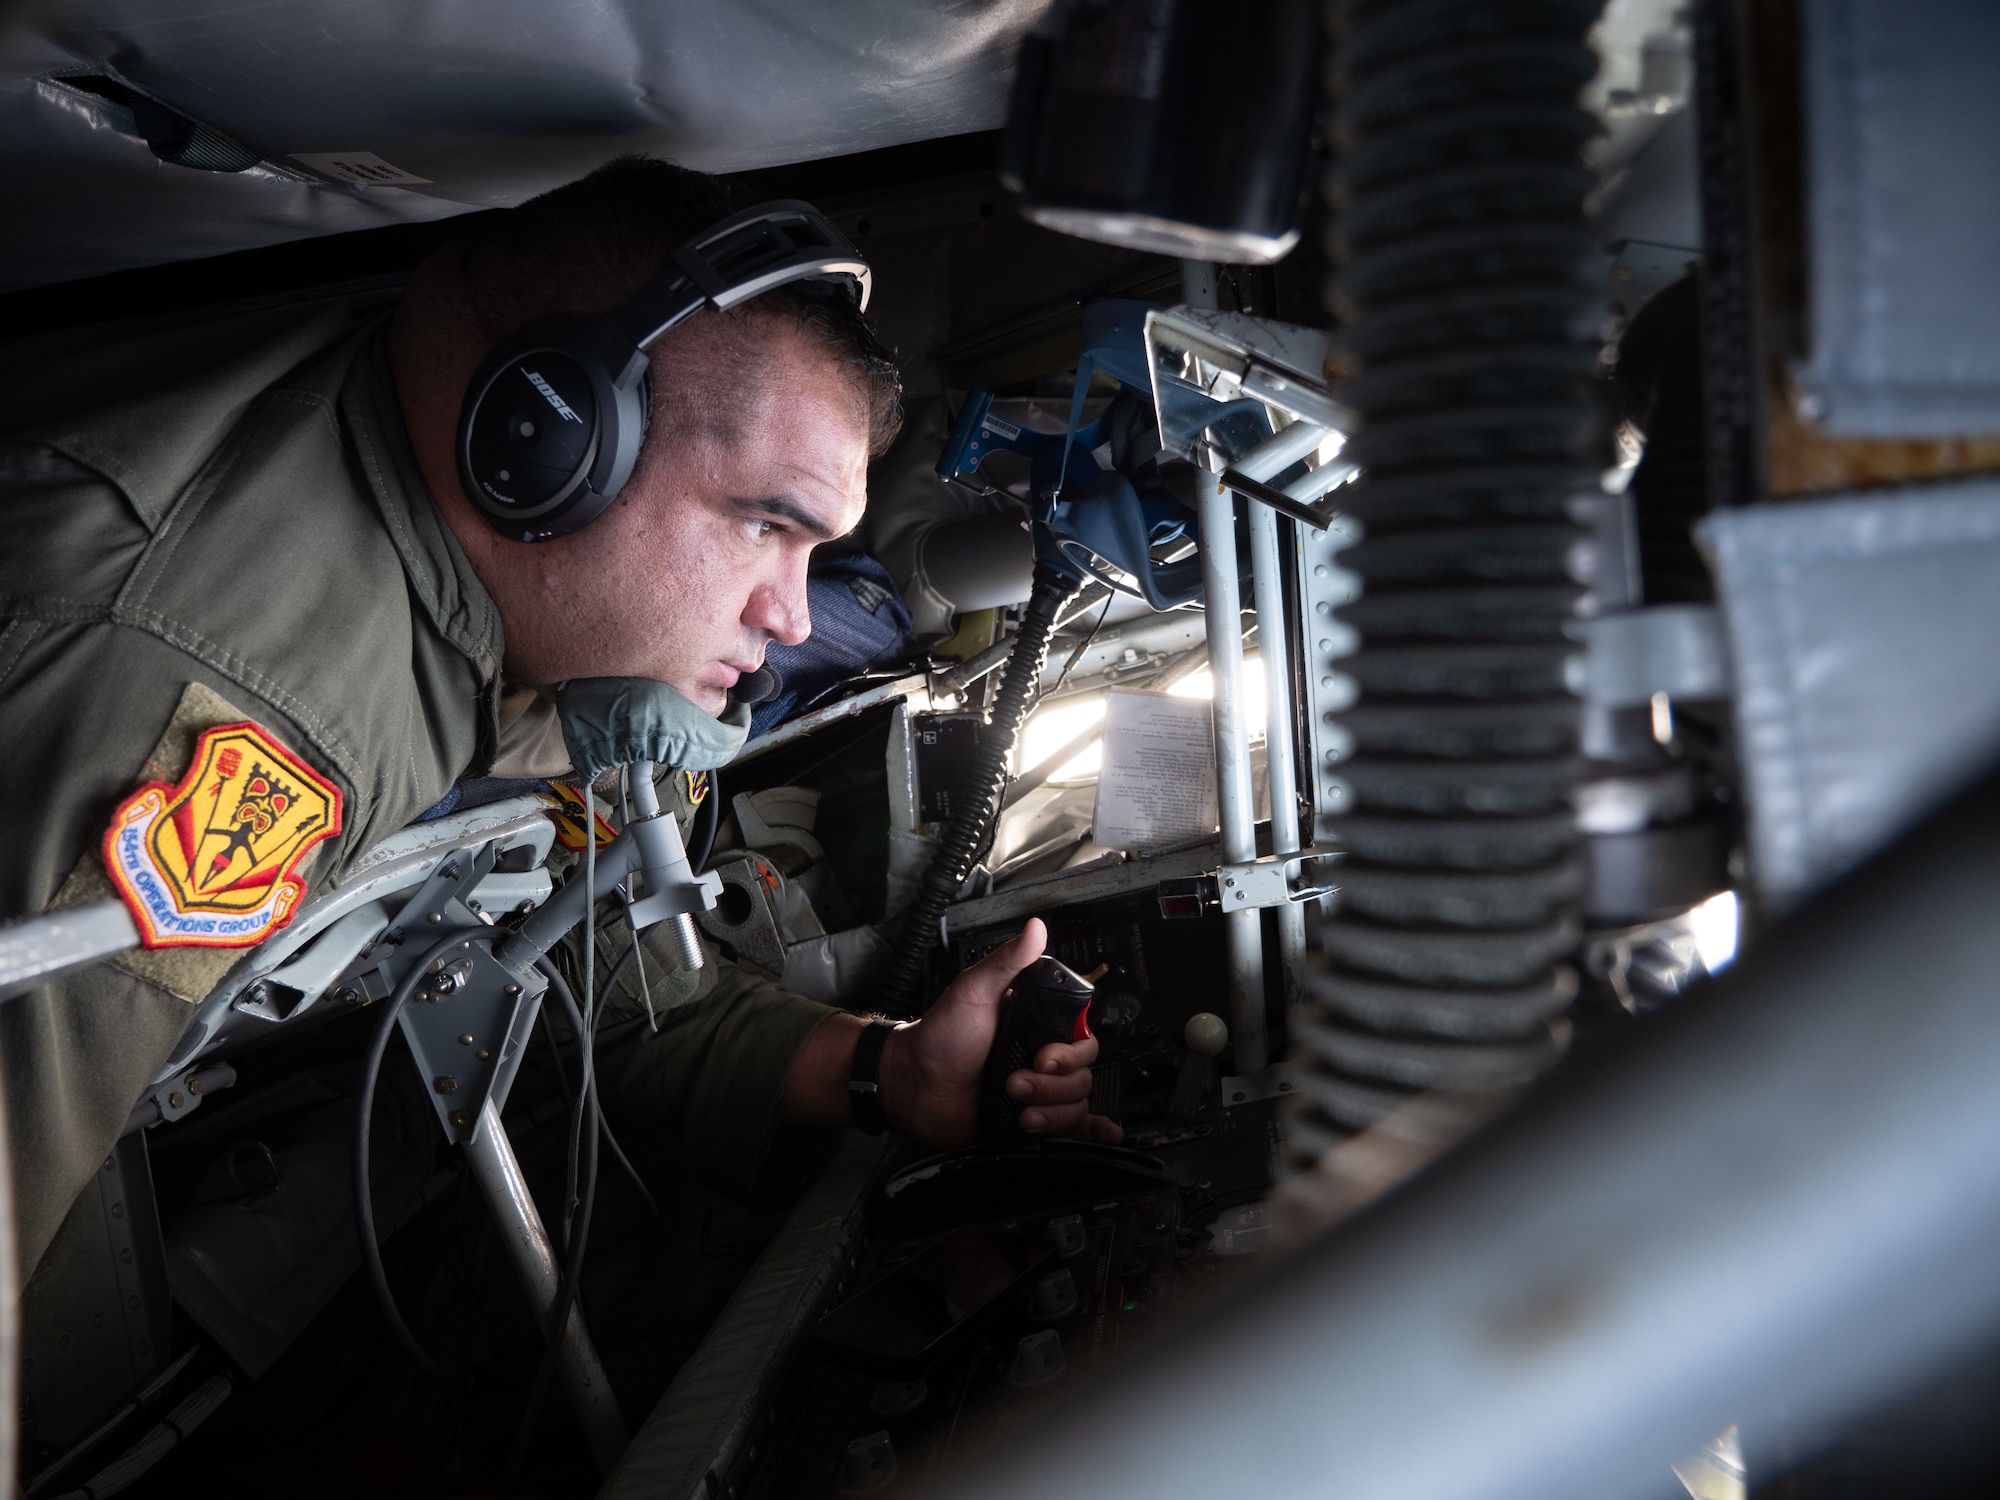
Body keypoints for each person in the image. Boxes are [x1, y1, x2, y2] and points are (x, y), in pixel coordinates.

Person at [0, 155, 1118, 1283]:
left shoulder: (551, 640)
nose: (788, 617)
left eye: (812, 552)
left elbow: (626, 995)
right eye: (763, 525)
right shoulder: (215, 702)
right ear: (548, 440)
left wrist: (892, 1072)